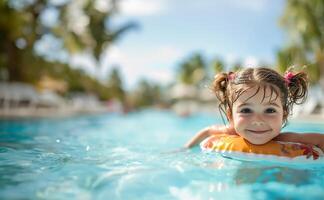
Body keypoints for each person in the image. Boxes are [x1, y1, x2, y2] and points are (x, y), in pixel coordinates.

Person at [185, 67, 324, 152]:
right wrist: (186, 149)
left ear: (284, 115)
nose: (258, 121)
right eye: (246, 110)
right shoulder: (229, 132)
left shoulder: (287, 140)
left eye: (270, 110)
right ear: (230, 116)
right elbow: (207, 131)